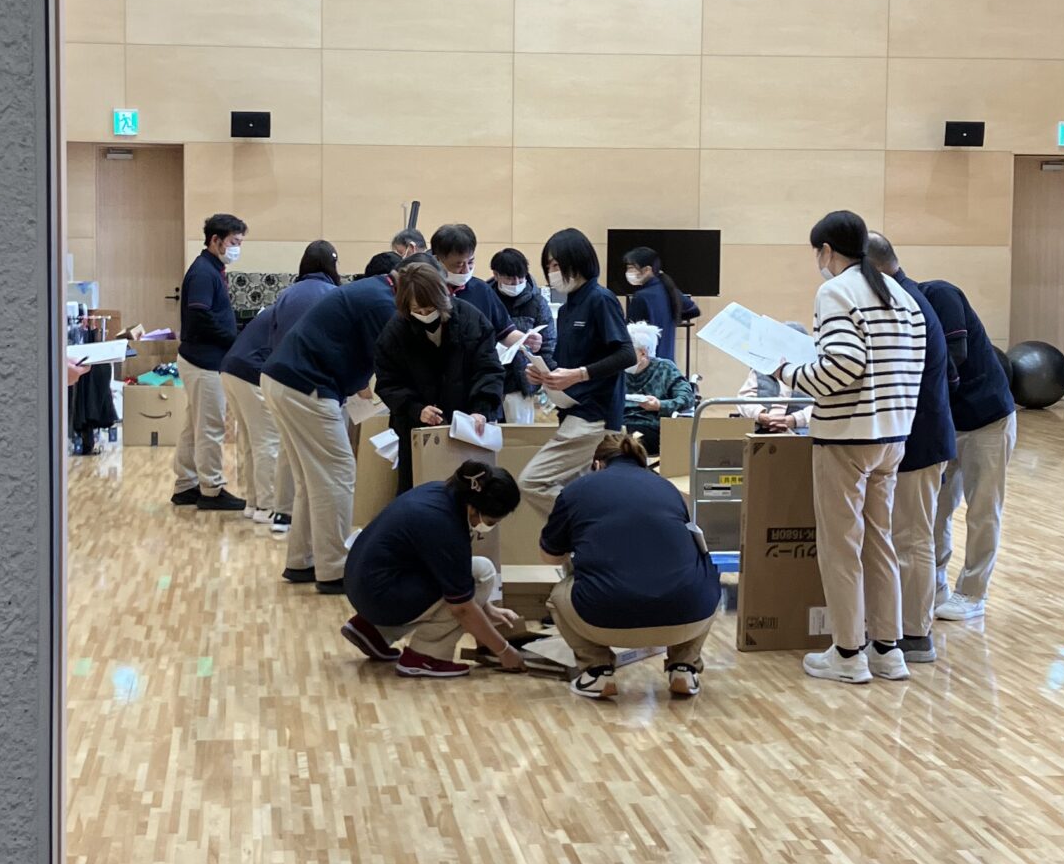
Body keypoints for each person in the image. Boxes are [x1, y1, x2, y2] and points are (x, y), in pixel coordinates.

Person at [780, 209, 928, 685]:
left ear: (826, 250)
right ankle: (888, 651)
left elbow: (842, 366)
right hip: (894, 436)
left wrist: (787, 373)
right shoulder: (902, 294)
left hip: (846, 437)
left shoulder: (837, 291)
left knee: (841, 548)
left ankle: (847, 654)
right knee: (880, 543)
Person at [539, 431, 724, 701]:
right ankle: (684, 667)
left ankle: (597, 672)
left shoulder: (576, 490)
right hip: (687, 617)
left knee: (558, 595)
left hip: (605, 617)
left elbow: (550, 557)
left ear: (597, 464)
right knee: (704, 577)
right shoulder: (667, 488)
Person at [260, 268, 398, 591]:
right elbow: (390, 363)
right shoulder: (382, 303)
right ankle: (334, 569)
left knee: (312, 479)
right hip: (307, 386)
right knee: (338, 473)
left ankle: (302, 560)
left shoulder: (371, 292)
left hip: (283, 380)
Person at [340, 462, 535, 679]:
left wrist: (486, 608)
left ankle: (373, 631)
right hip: (379, 596)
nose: (489, 526)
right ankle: (424, 656)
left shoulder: (440, 493)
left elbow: (446, 567)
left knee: (473, 574)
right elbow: (462, 609)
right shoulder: (446, 527)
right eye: (490, 521)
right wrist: (504, 651)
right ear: (474, 508)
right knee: (482, 574)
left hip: (361, 583)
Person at [864, 234, 955, 662]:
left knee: (912, 537)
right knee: (900, 536)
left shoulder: (908, 303)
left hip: (920, 438)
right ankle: (892, 626)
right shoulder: (901, 298)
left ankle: (915, 633)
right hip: (905, 435)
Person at [518, 228, 635, 535]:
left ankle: (593, 527)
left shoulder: (601, 299)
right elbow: (564, 365)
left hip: (595, 415)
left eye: (556, 264)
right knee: (577, 488)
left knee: (532, 481)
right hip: (571, 410)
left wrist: (579, 374)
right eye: (548, 266)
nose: (551, 272)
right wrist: (543, 374)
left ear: (577, 261)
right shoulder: (568, 307)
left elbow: (626, 354)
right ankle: (584, 548)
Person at [919, 269, 1017, 625]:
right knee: (935, 508)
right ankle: (934, 584)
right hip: (947, 422)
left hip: (987, 419)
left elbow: (952, 358)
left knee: (982, 510)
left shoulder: (940, 294)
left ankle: (973, 593)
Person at [220, 242, 340, 533]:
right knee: (269, 442)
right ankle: (268, 507)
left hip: (232, 367)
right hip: (255, 371)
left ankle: (253, 503)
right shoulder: (330, 294)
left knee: (250, 441)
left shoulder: (289, 292)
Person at [372, 258, 503, 489]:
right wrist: (416, 409)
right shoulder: (395, 332)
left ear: (443, 299)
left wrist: (481, 409)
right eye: (417, 311)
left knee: (470, 491)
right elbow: (388, 383)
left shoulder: (471, 320)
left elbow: (489, 369)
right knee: (419, 491)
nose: (425, 315)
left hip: (468, 426)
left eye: (431, 309)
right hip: (418, 430)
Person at [171, 211, 248, 511]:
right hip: (203, 362)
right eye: (234, 242)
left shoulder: (211, 268)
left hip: (199, 359)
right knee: (210, 428)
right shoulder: (204, 272)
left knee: (194, 426)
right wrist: (233, 338)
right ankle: (211, 489)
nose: (237, 248)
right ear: (215, 240)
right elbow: (200, 317)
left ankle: (186, 485)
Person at [489, 247, 554, 421]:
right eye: (510, 278)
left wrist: (544, 374)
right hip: (489, 380)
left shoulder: (537, 302)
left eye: (521, 277)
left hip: (521, 384)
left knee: (519, 433)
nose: (516, 282)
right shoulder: (486, 298)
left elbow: (548, 342)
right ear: (496, 275)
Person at [621, 320, 698, 454]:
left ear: (643, 353)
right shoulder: (616, 370)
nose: (621, 356)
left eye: (625, 351)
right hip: (619, 423)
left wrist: (659, 405)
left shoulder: (665, 368)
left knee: (625, 444)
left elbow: (687, 398)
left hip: (650, 426)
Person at [621, 245, 699, 366]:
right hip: (668, 362)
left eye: (632, 268)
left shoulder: (641, 297)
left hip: (647, 364)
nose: (629, 272)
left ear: (647, 269)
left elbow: (630, 335)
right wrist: (671, 319)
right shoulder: (669, 289)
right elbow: (694, 310)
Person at [429, 222, 509, 333]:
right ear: (437, 260)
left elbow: (505, 331)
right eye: (458, 264)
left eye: (470, 262)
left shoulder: (482, 289)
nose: (466, 270)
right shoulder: (424, 291)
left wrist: (526, 338)